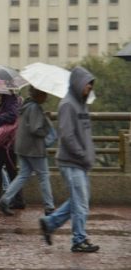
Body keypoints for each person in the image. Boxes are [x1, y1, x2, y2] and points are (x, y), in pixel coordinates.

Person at [39, 66, 99, 253]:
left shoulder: (81, 104)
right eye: (87, 85)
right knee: (81, 202)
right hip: (71, 162)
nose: (89, 88)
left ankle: (50, 223)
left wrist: (88, 155)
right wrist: (82, 154)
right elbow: (66, 135)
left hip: (80, 162)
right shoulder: (67, 104)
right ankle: (78, 240)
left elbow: (84, 133)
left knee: (78, 200)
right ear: (79, 83)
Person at [0, 86, 55, 216]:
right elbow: (35, 129)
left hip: (22, 147)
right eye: (44, 93)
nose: (46, 97)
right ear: (39, 94)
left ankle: (5, 200)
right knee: (44, 176)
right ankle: (49, 207)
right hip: (34, 149)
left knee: (23, 175)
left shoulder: (26, 106)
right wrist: (46, 125)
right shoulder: (35, 108)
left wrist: (43, 117)